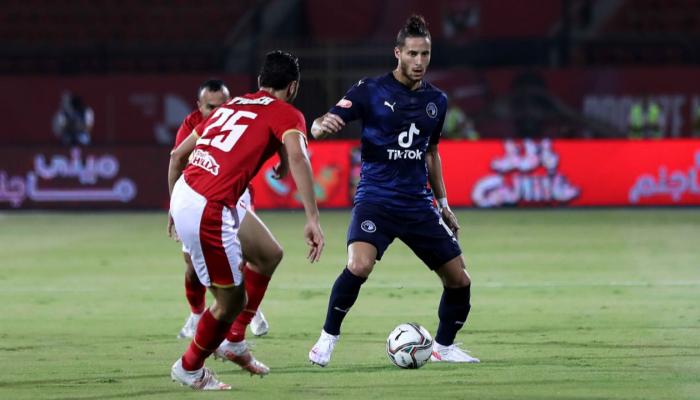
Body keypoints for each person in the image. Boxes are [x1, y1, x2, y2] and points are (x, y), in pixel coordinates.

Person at [308, 15, 480, 367]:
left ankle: (444, 347)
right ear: (397, 53)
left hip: (418, 204)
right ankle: (327, 339)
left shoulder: (437, 100)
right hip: (377, 199)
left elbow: (431, 153)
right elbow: (319, 123)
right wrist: (320, 126)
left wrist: (443, 203)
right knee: (359, 265)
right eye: (412, 53)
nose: (419, 61)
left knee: (459, 279)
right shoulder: (370, 90)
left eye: (425, 54)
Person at [168, 50, 324, 390]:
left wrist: (173, 207)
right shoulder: (288, 113)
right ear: (293, 87)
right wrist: (312, 217)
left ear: (259, 82)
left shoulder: (233, 104)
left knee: (269, 254)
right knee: (230, 302)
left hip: (191, 191)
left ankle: (235, 341)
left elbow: (178, 155)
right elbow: (299, 156)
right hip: (209, 206)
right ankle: (189, 367)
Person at [171, 79, 271, 377]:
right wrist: (173, 210)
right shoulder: (191, 127)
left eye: (222, 105)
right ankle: (200, 316)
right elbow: (178, 160)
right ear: (199, 107)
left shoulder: (237, 115)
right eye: (210, 107)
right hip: (198, 198)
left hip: (233, 196)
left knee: (260, 254)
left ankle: (237, 320)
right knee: (193, 266)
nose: (217, 112)